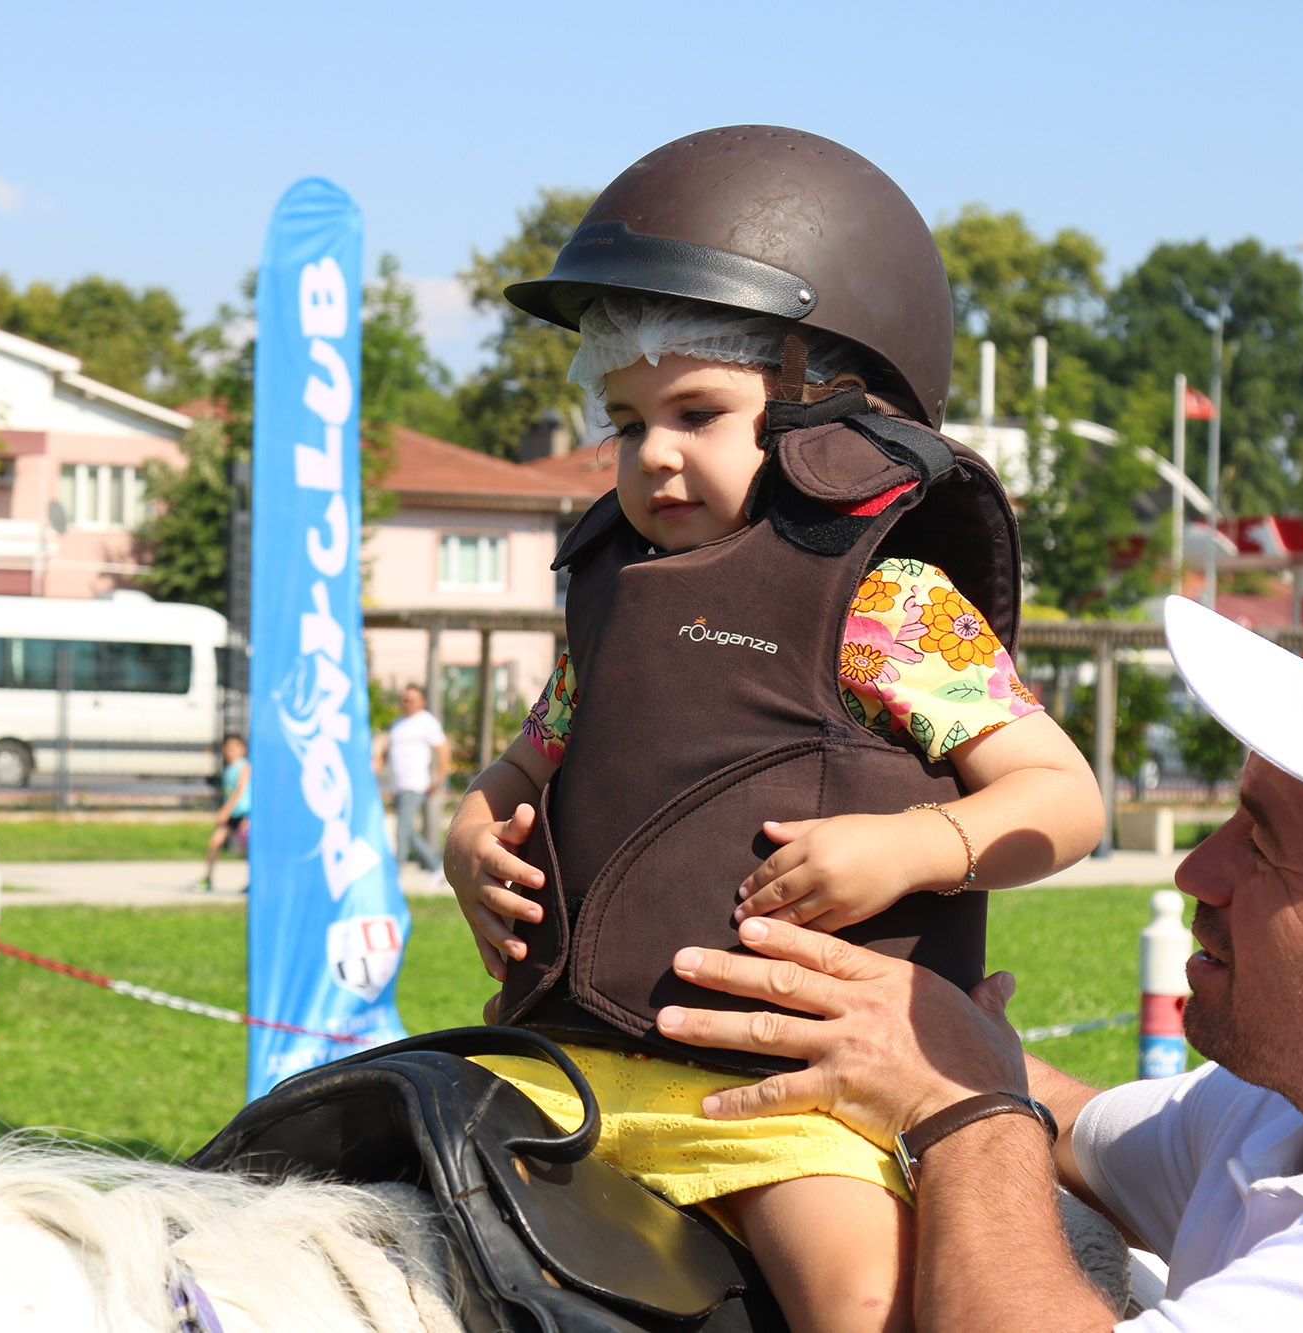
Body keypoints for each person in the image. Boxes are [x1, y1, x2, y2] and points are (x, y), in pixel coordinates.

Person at [444, 126, 1104, 1333]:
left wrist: (911, 847)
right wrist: (468, 835)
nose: (652, 455)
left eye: (696, 412)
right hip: (565, 1068)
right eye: (625, 420)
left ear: (829, 416)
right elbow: (521, 764)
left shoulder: (887, 606)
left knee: (860, 1301)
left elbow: (1063, 799)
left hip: (787, 1102)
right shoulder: (614, 603)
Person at [656, 595, 1303, 1330]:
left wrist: (962, 1109)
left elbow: (998, 1115)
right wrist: (933, 1037)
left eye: (1262, 845)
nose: (1197, 870)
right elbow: (1074, 1122)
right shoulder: (1299, 1106)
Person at [377, 684, 449, 886]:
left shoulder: (426, 722)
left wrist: (438, 779)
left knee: (402, 830)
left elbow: (443, 751)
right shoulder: (398, 724)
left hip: (415, 784)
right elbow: (387, 753)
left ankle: (396, 874)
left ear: (421, 702)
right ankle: (436, 866)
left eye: (410, 699)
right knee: (406, 830)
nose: (406, 703)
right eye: (404, 699)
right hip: (398, 786)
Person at [198, 733, 250, 892]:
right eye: (228, 748)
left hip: (243, 813)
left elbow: (240, 792)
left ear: (242, 749)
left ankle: (253, 882)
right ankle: (208, 878)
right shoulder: (228, 769)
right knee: (214, 842)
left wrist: (225, 810)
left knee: (247, 849)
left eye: (234, 748)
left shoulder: (244, 767)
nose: (230, 751)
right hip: (230, 814)